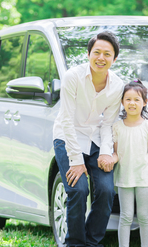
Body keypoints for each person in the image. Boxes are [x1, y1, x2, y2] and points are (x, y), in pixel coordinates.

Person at [52, 31, 124, 247]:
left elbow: (108, 123)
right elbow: (66, 119)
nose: (101, 58)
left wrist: (105, 153)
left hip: (95, 139)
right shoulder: (72, 77)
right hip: (67, 136)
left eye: (107, 54)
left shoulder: (117, 85)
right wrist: (76, 160)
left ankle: (92, 242)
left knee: (106, 190)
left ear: (114, 58)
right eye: (97, 52)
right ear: (89, 54)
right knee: (78, 189)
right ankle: (74, 243)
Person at [111, 80, 148, 247]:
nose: (132, 103)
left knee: (144, 216)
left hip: (144, 179)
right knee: (125, 216)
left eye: (137, 99)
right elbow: (116, 153)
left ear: (144, 102)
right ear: (122, 102)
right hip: (125, 178)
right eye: (128, 99)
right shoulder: (117, 127)